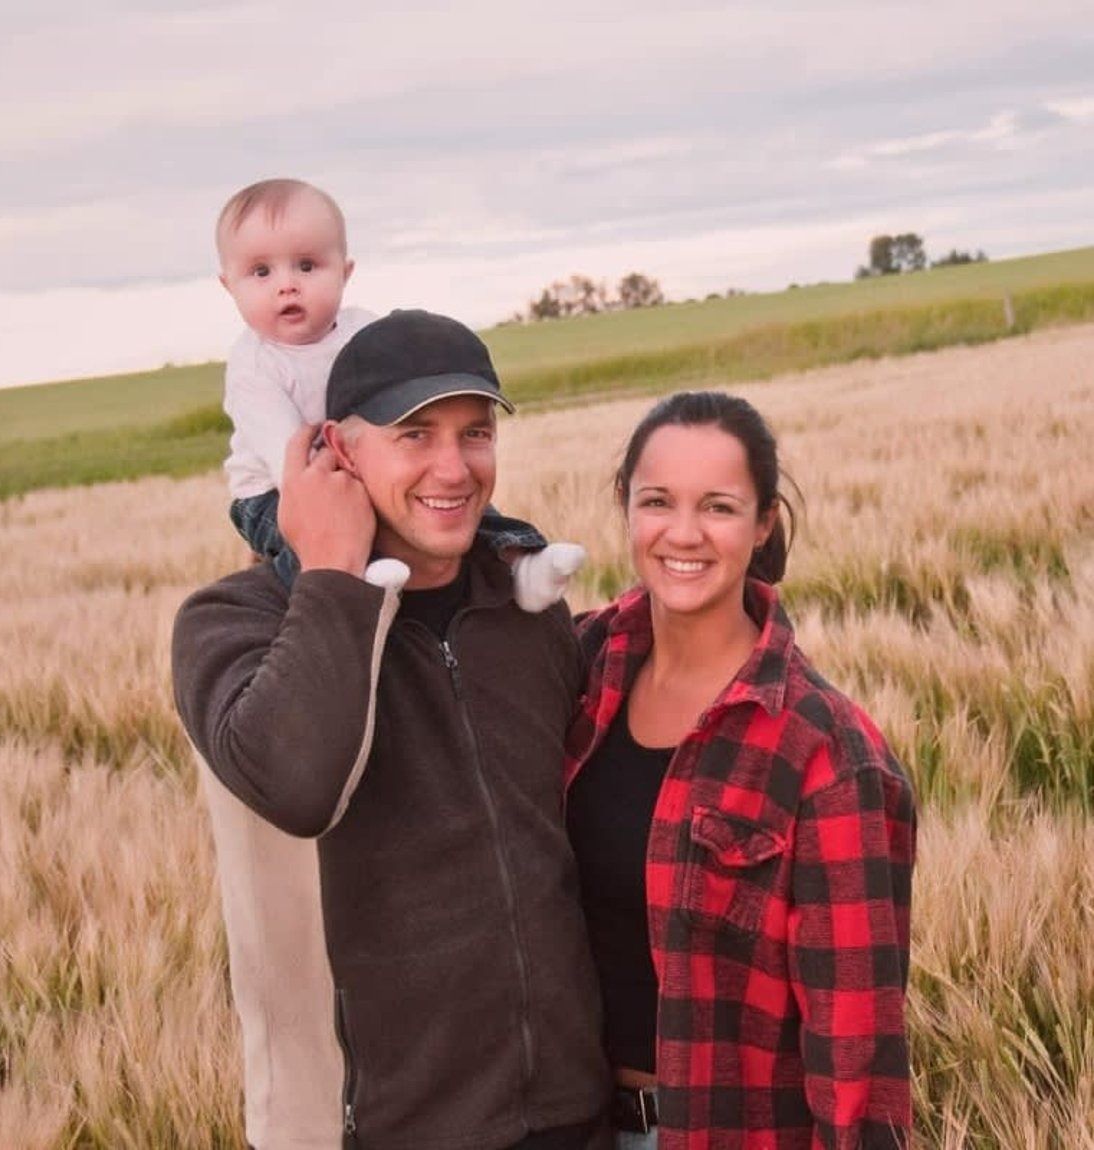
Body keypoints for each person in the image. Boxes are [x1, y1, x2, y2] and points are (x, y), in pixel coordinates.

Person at [173, 309, 611, 1150]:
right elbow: (297, 787)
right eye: (414, 434)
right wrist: (334, 572)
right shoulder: (233, 623)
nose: (454, 467)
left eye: (475, 432)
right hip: (381, 1130)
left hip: (571, 1113)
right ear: (337, 450)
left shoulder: (523, 611)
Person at [564, 391, 916, 1149]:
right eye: (657, 501)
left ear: (763, 525)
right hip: (567, 1123)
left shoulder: (823, 753)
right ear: (625, 506)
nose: (682, 534)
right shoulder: (578, 667)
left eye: (719, 507)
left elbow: (858, 1054)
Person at [217, 176, 582, 605]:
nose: (287, 284)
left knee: (461, 498)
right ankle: (360, 586)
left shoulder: (363, 329)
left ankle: (522, 564)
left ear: (344, 272)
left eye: (307, 266)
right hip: (275, 491)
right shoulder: (254, 368)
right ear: (229, 286)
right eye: (261, 272)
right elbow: (292, 466)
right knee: (308, 538)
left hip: (363, 464)